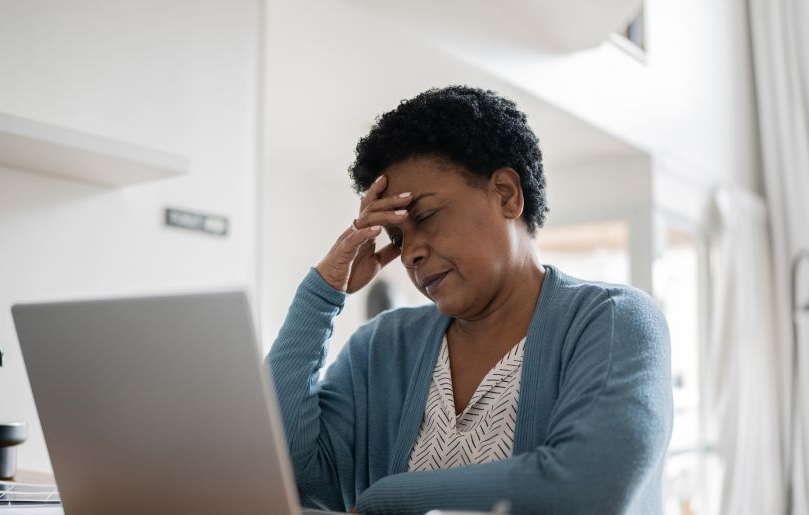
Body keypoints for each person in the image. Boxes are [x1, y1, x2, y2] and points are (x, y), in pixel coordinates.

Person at [266, 86, 672, 515]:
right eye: (397, 237)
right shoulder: (382, 347)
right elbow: (286, 473)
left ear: (506, 194)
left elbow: (588, 487)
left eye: (426, 216)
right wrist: (322, 292)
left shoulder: (612, 321)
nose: (409, 253)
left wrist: (385, 500)